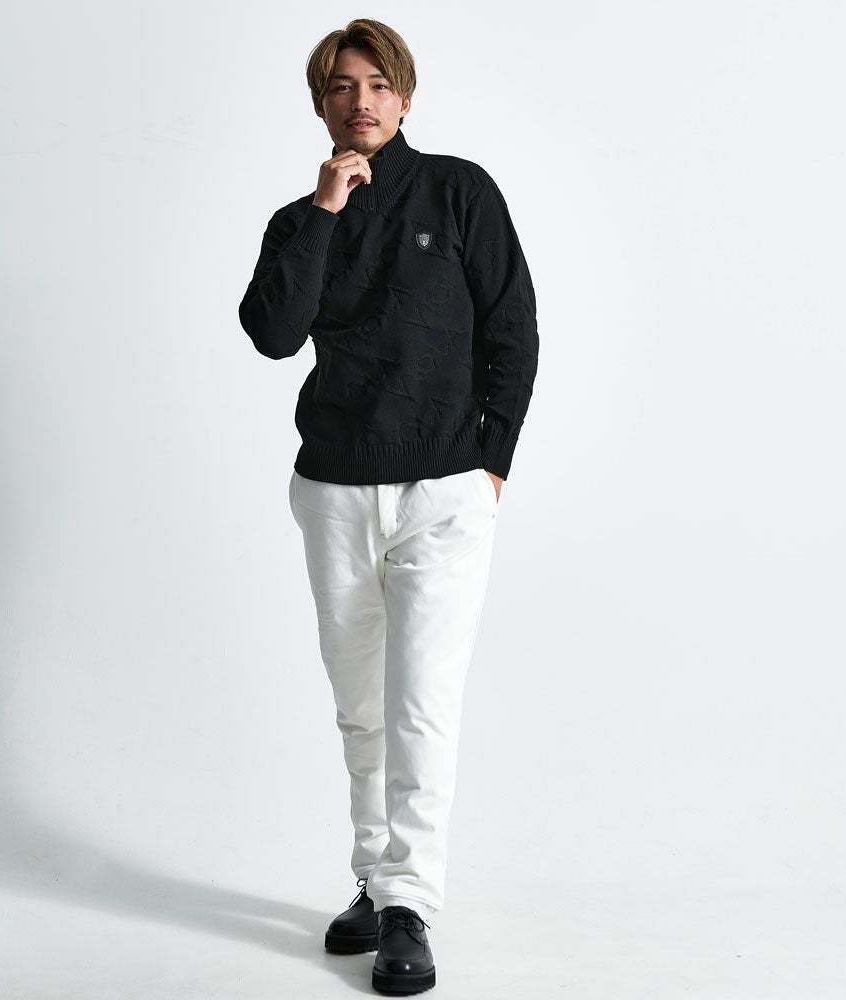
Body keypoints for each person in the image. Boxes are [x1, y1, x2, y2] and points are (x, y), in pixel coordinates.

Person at [238, 18, 539, 996]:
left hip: (442, 489)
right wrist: (327, 210)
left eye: (376, 84)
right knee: (360, 707)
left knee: (419, 706)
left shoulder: (458, 191)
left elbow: (513, 326)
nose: (359, 101)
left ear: (404, 97)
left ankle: (409, 904)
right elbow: (272, 333)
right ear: (320, 104)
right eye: (341, 86)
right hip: (332, 489)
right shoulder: (299, 220)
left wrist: (491, 462)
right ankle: (373, 879)